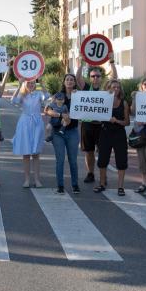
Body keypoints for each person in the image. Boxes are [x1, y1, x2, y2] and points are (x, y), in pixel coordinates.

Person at [76, 55, 118, 184]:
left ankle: (103, 177)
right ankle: (90, 173)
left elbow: (114, 78)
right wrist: (82, 62)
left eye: (98, 76)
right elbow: (78, 78)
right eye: (93, 76)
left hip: (102, 126)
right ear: (90, 78)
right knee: (89, 152)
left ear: (101, 77)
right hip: (87, 125)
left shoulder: (105, 88)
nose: (95, 78)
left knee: (103, 152)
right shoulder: (86, 87)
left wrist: (111, 62)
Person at [44, 74, 80, 194]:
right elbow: (47, 110)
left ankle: (75, 185)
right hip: (57, 132)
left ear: (75, 82)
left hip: (73, 131)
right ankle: (60, 186)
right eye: (67, 79)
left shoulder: (80, 96)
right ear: (64, 82)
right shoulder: (57, 95)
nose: (69, 81)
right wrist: (60, 115)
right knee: (60, 160)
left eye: (72, 80)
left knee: (73, 160)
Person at [12, 78, 49, 188]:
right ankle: (27, 179)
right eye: (29, 83)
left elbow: (47, 96)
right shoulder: (22, 95)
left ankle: (37, 180)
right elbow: (13, 101)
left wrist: (42, 83)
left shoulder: (38, 94)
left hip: (37, 124)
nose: (31, 85)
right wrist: (18, 86)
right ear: (25, 84)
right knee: (26, 153)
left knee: (36, 154)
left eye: (33, 83)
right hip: (25, 123)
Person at [95, 79, 130, 196]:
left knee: (121, 160)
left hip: (119, 134)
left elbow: (127, 122)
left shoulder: (123, 103)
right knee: (102, 160)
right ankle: (102, 183)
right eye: (113, 87)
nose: (116, 89)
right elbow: (95, 116)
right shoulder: (102, 101)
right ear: (108, 88)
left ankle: (120, 187)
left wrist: (117, 121)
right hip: (105, 133)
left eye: (117, 87)